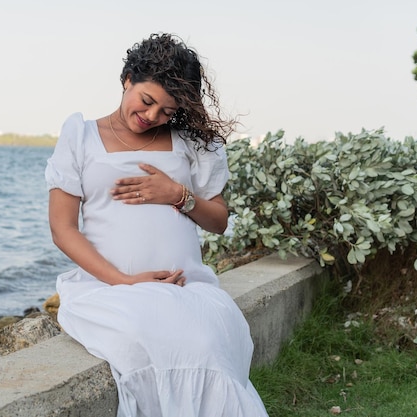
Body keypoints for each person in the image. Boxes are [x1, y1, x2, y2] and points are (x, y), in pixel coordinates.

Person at [45, 33, 269, 417]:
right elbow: (63, 229)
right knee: (153, 341)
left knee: (203, 344)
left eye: (167, 111)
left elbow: (218, 220)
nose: (152, 117)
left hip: (186, 287)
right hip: (109, 290)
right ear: (127, 79)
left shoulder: (191, 144)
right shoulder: (80, 136)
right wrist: (126, 282)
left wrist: (178, 194)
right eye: (147, 101)